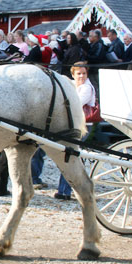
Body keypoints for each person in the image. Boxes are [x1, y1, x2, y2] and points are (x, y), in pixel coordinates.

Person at [55, 61, 96, 200]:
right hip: (73, 125)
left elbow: (75, 103)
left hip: (83, 125)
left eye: (84, 73)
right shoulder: (72, 84)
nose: (82, 76)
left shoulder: (86, 88)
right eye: (79, 73)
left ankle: (64, 191)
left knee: (69, 155)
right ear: (73, 74)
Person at [86, 29, 107, 94]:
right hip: (92, 68)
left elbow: (97, 57)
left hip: (96, 68)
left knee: (98, 84)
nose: (89, 38)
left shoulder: (99, 45)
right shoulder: (92, 45)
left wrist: (87, 56)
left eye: (91, 36)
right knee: (93, 84)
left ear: (96, 37)